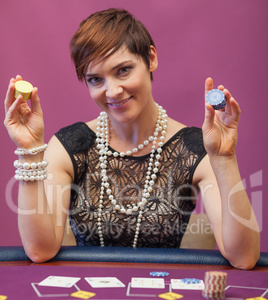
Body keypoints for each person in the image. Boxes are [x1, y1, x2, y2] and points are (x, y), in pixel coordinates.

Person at [4, 8, 260, 268]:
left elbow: (244, 257)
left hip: (163, 298)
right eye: (96, 79)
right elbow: (40, 250)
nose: (113, 91)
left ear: (150, 58)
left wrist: (224, 158)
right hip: (87, 298)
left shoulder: (196, 148)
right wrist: (30, 150)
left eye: (123, 70)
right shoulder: (71, 146)